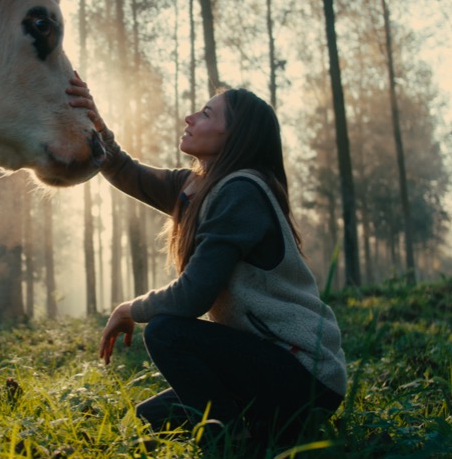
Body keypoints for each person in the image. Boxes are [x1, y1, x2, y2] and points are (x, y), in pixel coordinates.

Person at [67, 73, 347, 452]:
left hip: (303, 375)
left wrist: (131, 308)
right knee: (148, 420)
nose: (190, 118)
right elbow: (126, 172)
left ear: (233, 136)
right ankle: (258, 428)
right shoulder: (198, 188)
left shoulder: (241, 191)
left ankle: (234, 445)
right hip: (266, 366)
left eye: (205, 114)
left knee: (166, 330)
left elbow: (193, 296)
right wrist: (94, 121)